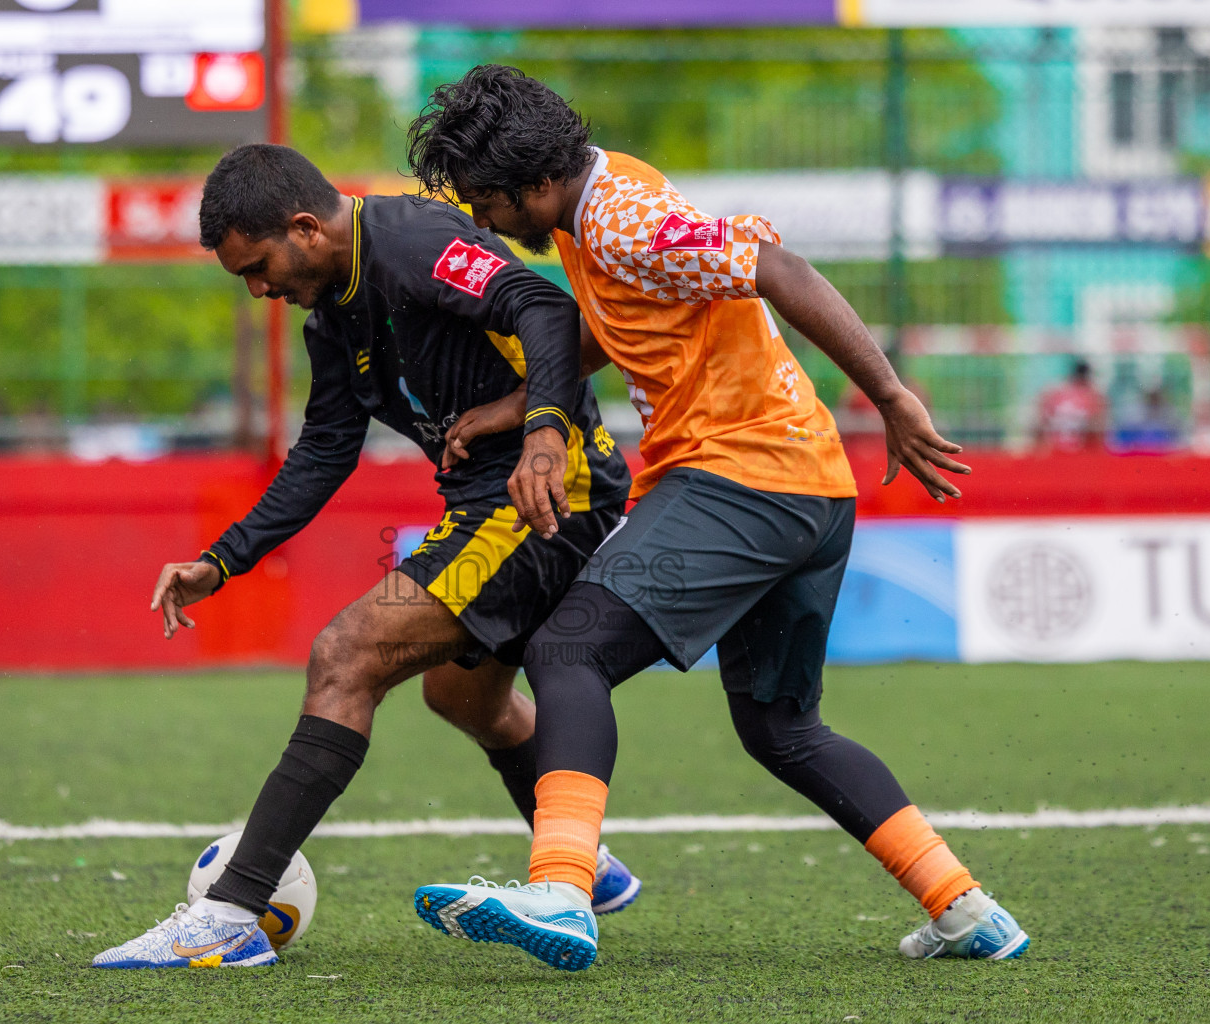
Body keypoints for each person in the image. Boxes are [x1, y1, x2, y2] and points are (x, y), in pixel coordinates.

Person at [405, 66, 1029, 971]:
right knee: (782, 727)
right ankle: (965, 908)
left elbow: (777, 267)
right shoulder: (599, 198)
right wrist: (520, 403)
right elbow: (616, 319)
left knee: (567, 651)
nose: (485, 221)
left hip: (744, 480)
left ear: (534, 183)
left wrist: (890, 395)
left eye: (486, 202)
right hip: (806, 488)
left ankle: (561, 890)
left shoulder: (621, 217)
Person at [92, 144, 638, 969]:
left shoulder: (414, 239)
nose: (258, 290)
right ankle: (580, 865)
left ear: (306, 227)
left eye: (258, 266)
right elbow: (323, 451)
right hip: (488, 501)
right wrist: (222, 559)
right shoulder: (331, 317)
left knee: (348, 652)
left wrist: (538, 431)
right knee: (462, 696)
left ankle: (231, 913)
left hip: (550, 490)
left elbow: (547, 311)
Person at [1035, 358, 1107, 451]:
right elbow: (1098, 428)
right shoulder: (1092, 396)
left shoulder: (1054, 393)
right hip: (1078, 450)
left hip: (1056, 448)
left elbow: (1041, 422)